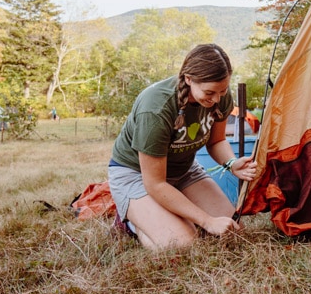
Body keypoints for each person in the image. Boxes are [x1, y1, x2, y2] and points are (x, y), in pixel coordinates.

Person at [107, 44, 257, 250]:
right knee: (183, 243)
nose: (216, 99)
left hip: (184, 170)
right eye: (210, 92)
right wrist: (207, 221)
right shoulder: (156, 108)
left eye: (222, 91)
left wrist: (231, 163)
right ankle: (133, 223)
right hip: (138, 176)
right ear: (188, 78)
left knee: (233, 231)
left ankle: (168, 213)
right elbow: (156, 184)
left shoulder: (220, 96)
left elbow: (216, 141)